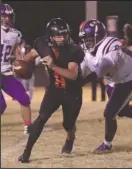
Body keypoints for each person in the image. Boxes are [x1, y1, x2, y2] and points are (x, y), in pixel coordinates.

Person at [79, 19, 132, 153]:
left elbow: (100, 70)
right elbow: (81, 73)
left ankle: (107, 144)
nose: (86, 42)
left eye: (89, 38)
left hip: (127, 77)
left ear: (98, 37)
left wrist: (81, 80)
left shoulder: (110, 45)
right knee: (120, 110)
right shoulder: (88, 52)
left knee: (110, 113)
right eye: (84, 39)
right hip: (112, 80)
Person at [18, 18, 84, 163]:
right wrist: (21, 63)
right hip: (55, 89)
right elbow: (32, 54)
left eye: (63, 35)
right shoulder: (42, 44)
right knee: (41, 118)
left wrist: (53, 66)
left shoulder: (74, 50)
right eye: (58, 36)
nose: (61, 39)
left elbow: (73, 75)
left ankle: (70, 138)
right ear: (50, 37)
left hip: (72, 93)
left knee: (68, 124)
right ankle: (27, 152)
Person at [0, 4, 32, 134]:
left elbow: (16, 52)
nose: (7, 19)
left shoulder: (16, 34)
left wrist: (20, 62)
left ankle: (28, 127)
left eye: (9, 16)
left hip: (6, 72)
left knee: (24, 98)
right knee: (1, 105)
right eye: (3, 16)